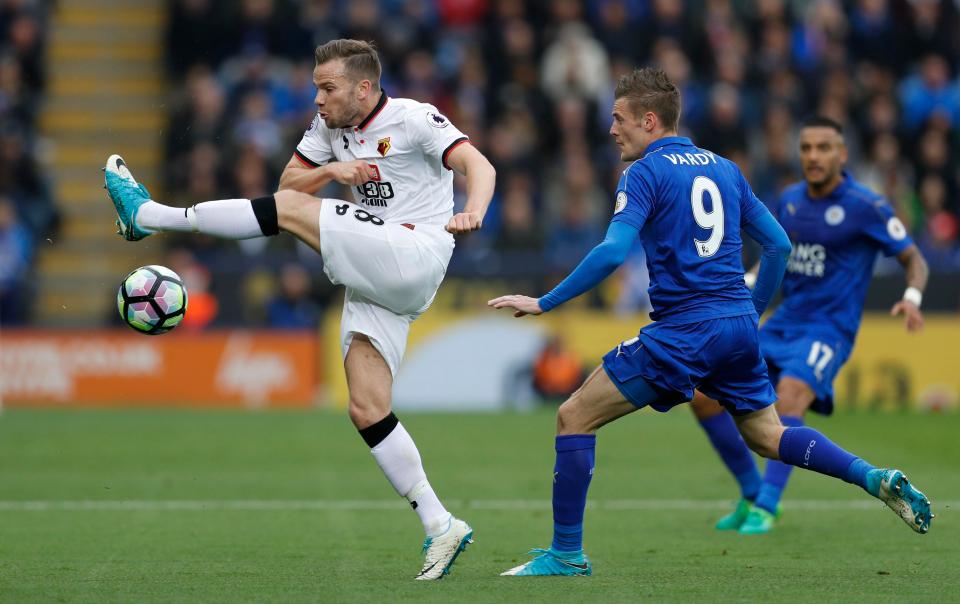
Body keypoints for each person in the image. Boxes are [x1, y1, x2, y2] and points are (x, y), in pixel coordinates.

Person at [489, 68, 932, 577]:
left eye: (619, 119)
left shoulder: (643, 173)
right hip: (738, 326)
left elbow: (613, 252)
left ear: (649, 120)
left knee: (573, 415)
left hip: (685, 331)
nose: (611, 130)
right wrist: (753, 310)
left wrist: (546, 301)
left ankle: (566, 554)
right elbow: (779, 246)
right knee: (768, 434)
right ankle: (872, 477)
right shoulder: (725, 168)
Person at [103, 39, 496, 581]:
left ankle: (150, 215)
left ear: (364, 87)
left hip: (416, 251)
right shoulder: (327, 131)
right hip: (377, 274)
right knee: (366, 405)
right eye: (315, 86)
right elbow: (288, 188)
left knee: (289, 214)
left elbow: (480, 165)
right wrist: (334, 172)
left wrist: (472, 211)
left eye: (328, 87)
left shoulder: (414, 119)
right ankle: (440, 524)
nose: (317, 98)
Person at [689, 115, 930, 535]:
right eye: (806, 149)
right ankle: (750, 493)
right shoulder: (789, 200)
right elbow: (771, 257)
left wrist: (911, 298)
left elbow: (914, 259)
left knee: (790, 396)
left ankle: (768, 504)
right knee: (703, 396)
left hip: (828, 330)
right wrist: (739, 287)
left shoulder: (866, 206)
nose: (813, 157)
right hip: (783, 322)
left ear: (843, 153)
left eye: (823, 148)